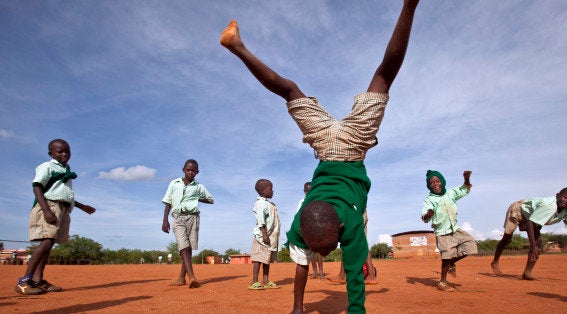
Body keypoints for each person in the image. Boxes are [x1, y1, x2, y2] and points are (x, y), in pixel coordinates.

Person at [221, 0, 419, 312]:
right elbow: (355, 277)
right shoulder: (304, 225)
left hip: (350, 147)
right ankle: (238, 47)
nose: (324, 256)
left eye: (324, 251)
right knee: (292, 91)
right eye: (323, 251)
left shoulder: (342, 223)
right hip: (328, 144)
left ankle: (409, 6)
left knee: (384, 76)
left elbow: (355, 280)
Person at [15, 139, 96, 295]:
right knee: (47, 241)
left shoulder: (66, 170)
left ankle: (38, 280)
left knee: (50, 243)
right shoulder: (47, 166)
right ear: (50, 153)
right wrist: (46, 210)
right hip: (49, 206)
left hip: (63, 208)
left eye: (67, 151)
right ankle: (24, 280)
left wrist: (81, 206)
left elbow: (62, 194)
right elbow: (37, 187)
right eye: (60, 151)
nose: (65, 154)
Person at [490, 187, 567, 280]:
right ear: (558, 195)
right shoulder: (549, 206)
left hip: (533, 216)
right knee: (507, 239)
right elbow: (530, 222)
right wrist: (532, 245)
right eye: (566, 198)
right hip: (519, 210)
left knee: (539, 242)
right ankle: (495, 261)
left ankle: (527, 273)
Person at [420, 170, 476, 292]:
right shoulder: (429, 199)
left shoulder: (450, 193)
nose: (435, 184)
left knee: (471, 244)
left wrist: (466, 179)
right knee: (446, 256)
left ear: (442, 182)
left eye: (437, 181)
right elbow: (424, 217)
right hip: (441, 232)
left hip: (454, 229)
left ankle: (451, 263)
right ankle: (443, 282)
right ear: (429, 186)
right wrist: (429, 214)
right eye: (432, 183)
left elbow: (465, 189)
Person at [162, 159, 214, 288]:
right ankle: (192, 277)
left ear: (197, 172)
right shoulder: (174, 183)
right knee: (183, 246)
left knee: (189, 248)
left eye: (193, 170)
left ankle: (181, 278)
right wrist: (165, 220)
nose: (191, 172)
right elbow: (168, 201)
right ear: (183, 170)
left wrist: (196, 198)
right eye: (188, 170)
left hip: (193, 218)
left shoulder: (198, 187)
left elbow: (211, 200)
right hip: (178, 217)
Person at [327, 211, 377, 285]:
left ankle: (371, 276)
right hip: (358, 213)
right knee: (358, 243)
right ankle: (342, 275)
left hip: (355, 214)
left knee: (349, 242)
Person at [248, 179, 281, 290]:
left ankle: (266, 280)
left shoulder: (268, 203)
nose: (273, 191)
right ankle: (254, 281)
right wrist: (264, 234)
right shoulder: (260, 203)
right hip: (262, 237)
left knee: (266, 259)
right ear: (262, 191)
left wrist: (272, 206)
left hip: (270, 236)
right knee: (258, 259)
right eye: (270, 189)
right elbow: (261, 219)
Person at [297, 182, 325, 280]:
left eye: (311, 190)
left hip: (318, 228)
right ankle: (315, 272)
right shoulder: (301, 202)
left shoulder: (318, 200)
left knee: (320, 251)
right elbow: (298, 215)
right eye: (307, 191)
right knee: (311, 251)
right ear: (304, 191)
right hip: (308, 229)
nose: (309, 192)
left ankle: (321, 272)